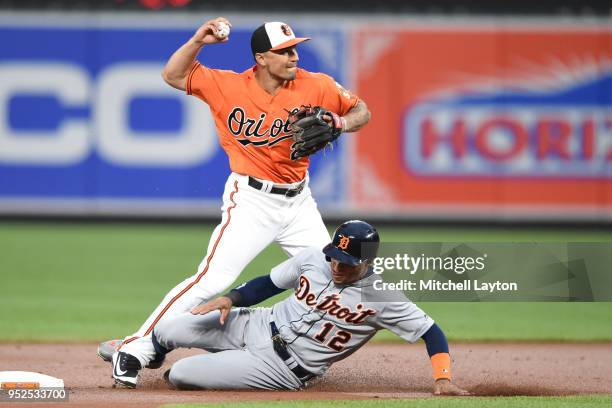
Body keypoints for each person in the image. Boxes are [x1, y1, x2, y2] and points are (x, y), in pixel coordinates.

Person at [99, 17, 371, 388]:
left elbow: (362, 111)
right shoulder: (227, 85)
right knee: (215, 277)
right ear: (261, 58)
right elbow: (173, 75)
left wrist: (340, 123)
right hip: (251, 200)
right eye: (283, 51)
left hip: (299, 203)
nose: (293, 56)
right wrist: (198, 40)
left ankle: (285, 353)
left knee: (327, 276)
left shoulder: (317, 84)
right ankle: (137, 348)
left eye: (294, 49)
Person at [112, 220, 470, 396]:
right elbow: (268, 283)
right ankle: (155, 353)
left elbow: (431, 332)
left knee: (183, 374)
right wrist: (231, 299)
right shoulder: (315, 258)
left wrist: (442, 379)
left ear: (367, 262)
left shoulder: (384, 297)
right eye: (335, 257)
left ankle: (199, 368)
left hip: (281, 368)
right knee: (170, 327)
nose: (336, 266)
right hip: (258, 323)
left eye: (346, 262)